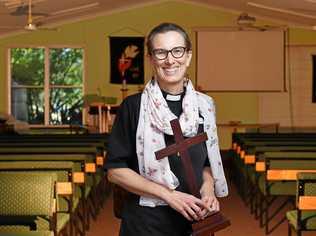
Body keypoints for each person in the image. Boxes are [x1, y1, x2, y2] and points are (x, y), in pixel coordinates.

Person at [105, 22, 228, 236]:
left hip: (196, 219)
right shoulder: (133, 107)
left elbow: (207, 162)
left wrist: (208, 189)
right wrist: (169, 195)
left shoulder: (205, 106)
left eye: (177, 51)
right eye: (161, 53)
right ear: (151, 58)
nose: (170, 60)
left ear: (188, 56)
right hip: (147, 223)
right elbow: (115, 172)